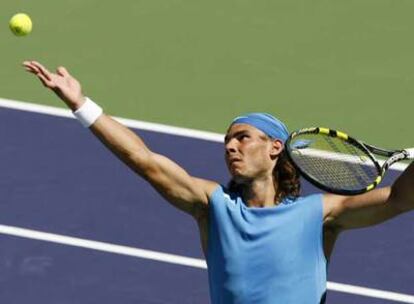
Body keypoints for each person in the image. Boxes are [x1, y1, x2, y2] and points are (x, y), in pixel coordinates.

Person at [23, 60, 414, 304]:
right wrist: (81, 104)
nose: (230, 146)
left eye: (242, 137)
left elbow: (399, 197)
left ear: (275, 147)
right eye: (227, 140)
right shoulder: (213, 205)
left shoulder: (322, 213)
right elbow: (144, 160)